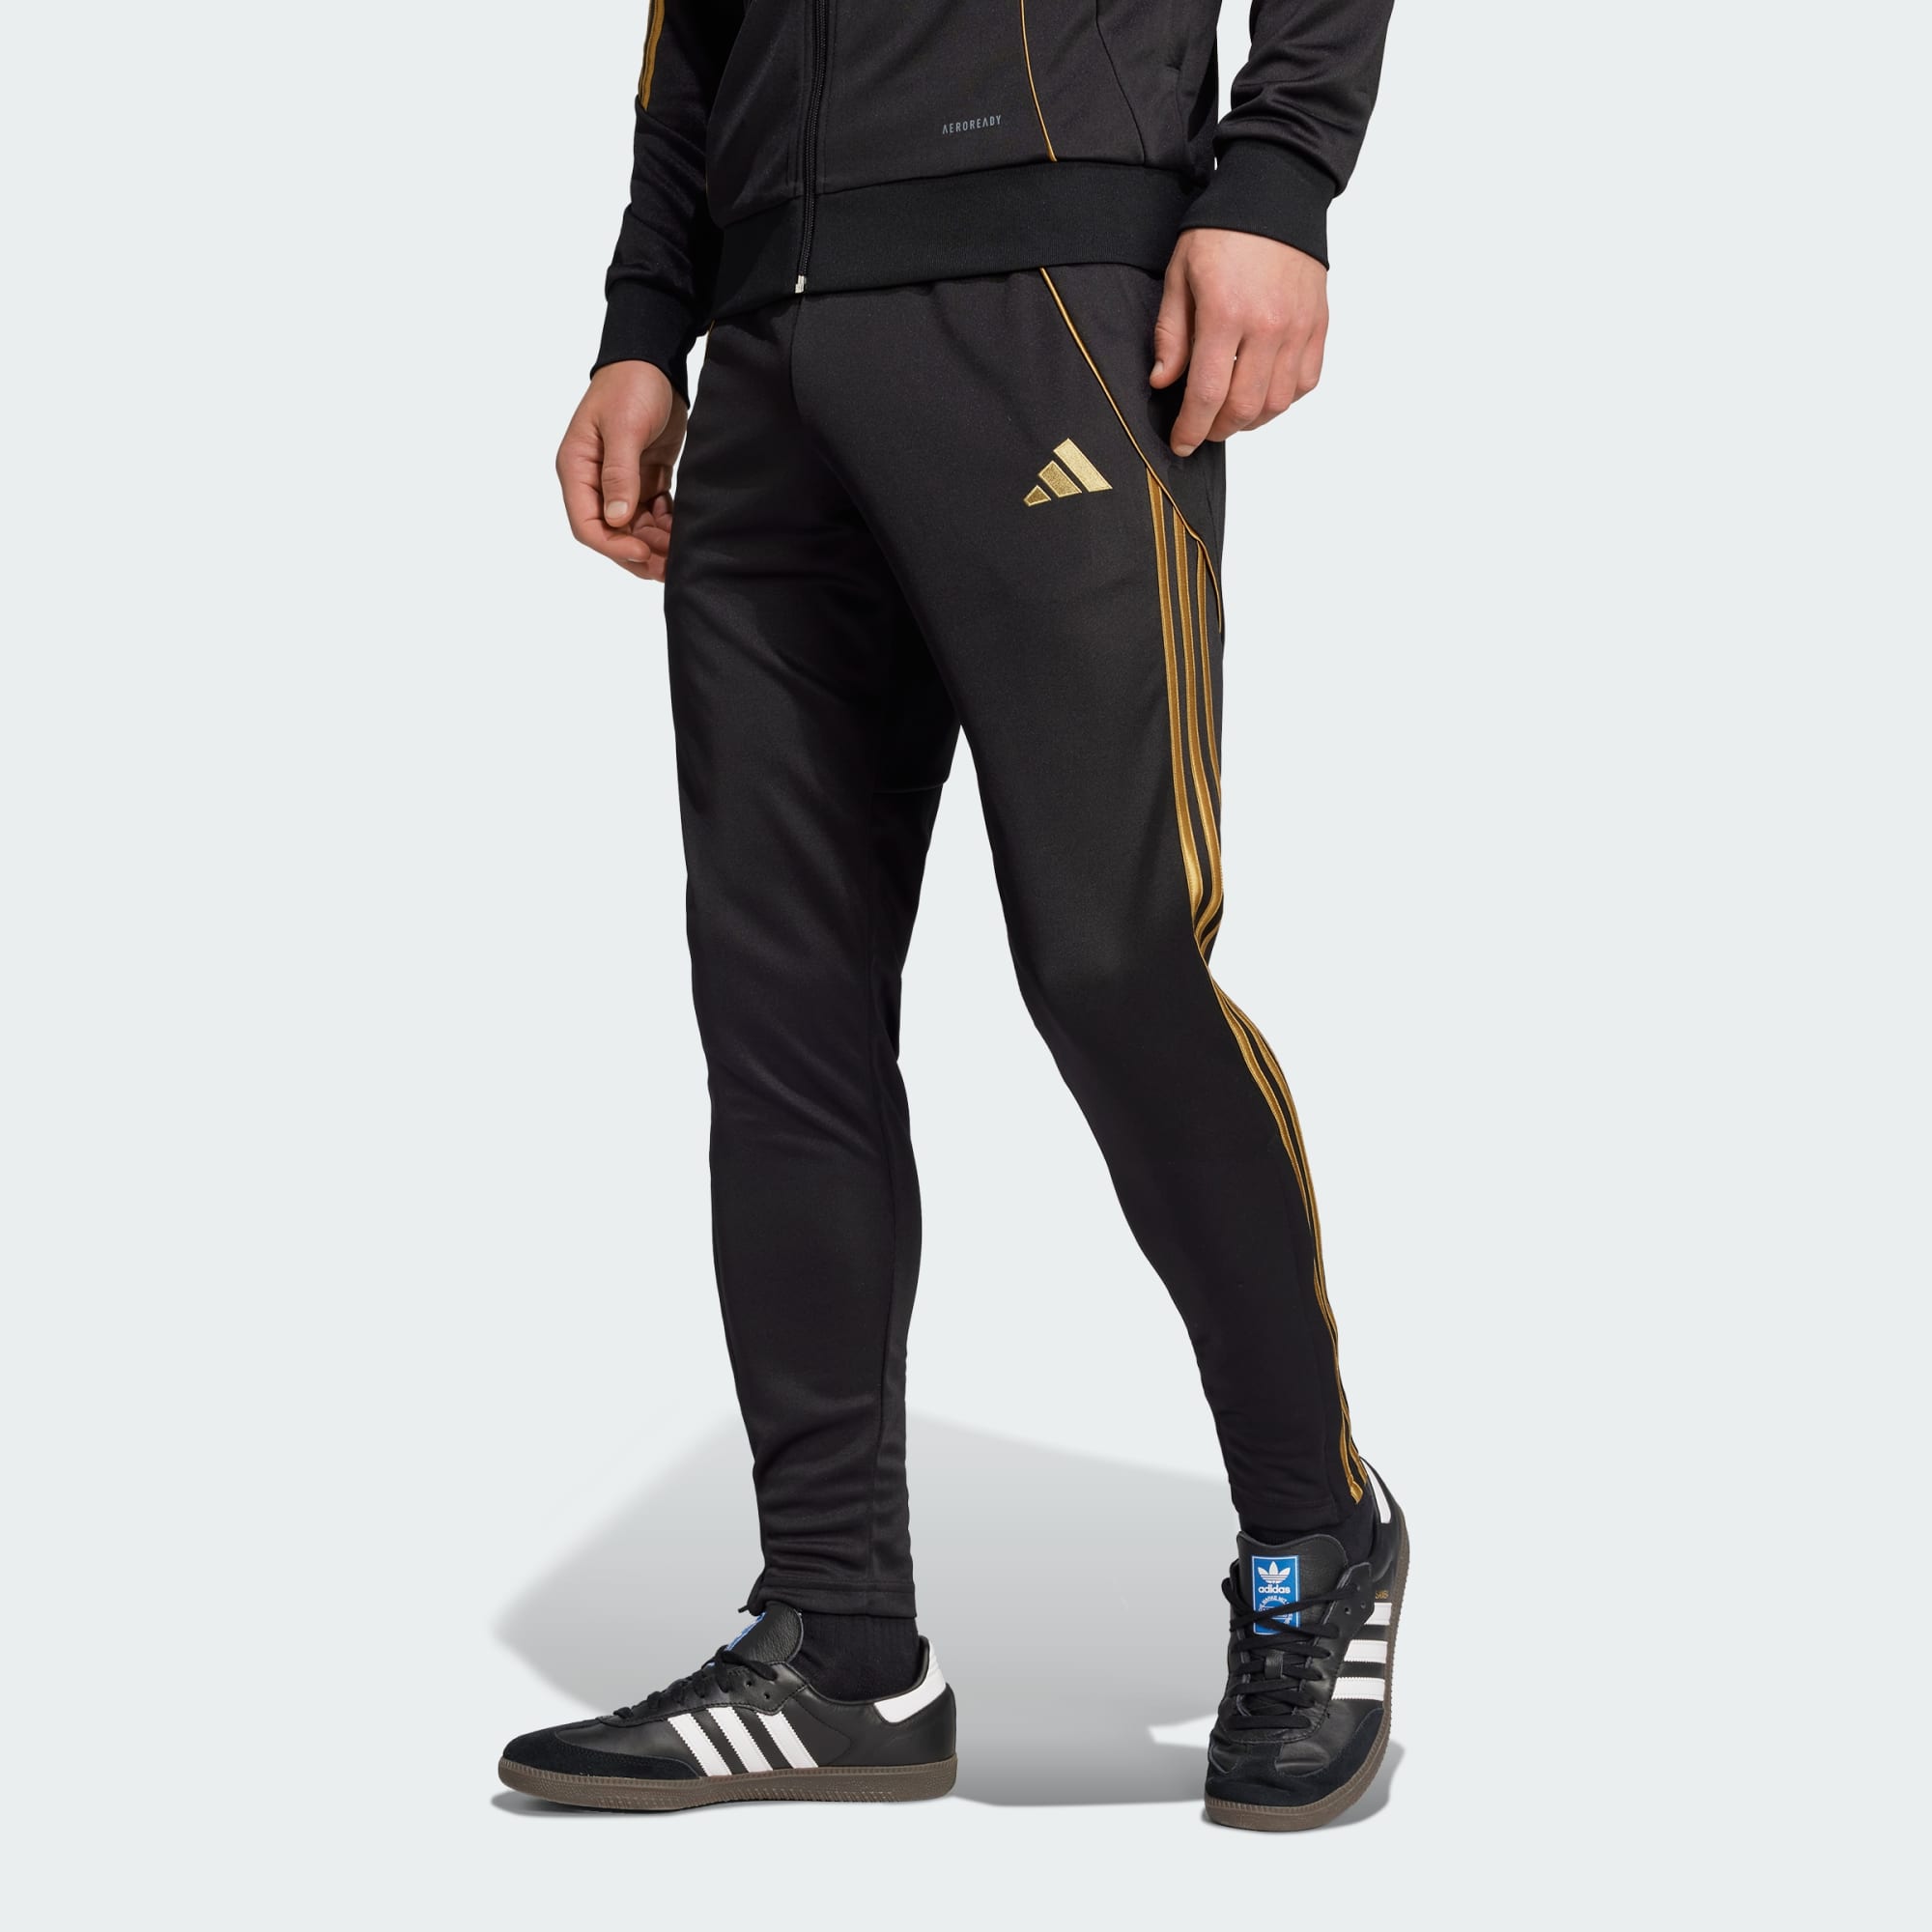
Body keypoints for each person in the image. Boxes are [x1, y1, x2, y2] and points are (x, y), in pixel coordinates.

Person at [499, 0, 1406, 1832]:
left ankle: (1312, 1534)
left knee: (1111, 963)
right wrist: (645, 322)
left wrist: (1283, 170)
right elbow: (695, 35)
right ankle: (840, 1640)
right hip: (766, 351)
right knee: (783, 1016)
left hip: (1051, 303)